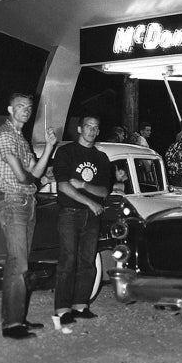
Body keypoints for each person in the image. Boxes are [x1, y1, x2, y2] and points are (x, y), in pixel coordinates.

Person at [0, 91, 58, 340]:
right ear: (10, 109)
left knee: (16, 264)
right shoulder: (5, 135)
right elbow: (23, 176)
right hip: (14, 202)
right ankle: (13, 326)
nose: (26, 110)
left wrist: (50, 147)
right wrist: (35, 177)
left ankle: (15, 319)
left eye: (28, 107)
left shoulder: (21, 139)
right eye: (20, 106)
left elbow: (37, 172)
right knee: (20, 265)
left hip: (27, 203)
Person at [52, 114, 111, 331]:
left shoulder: (102, 158)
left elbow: (104, 191)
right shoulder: (66, 152)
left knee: (87, 262)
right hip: (70, 213)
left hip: (92, 217)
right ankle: (62, 310)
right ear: (79, 129)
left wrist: (84, 185)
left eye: (96, 128)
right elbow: (63, 186)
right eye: (88, 126)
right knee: (68, 261)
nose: (92, 131)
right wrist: (89, 202)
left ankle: (80, 305)